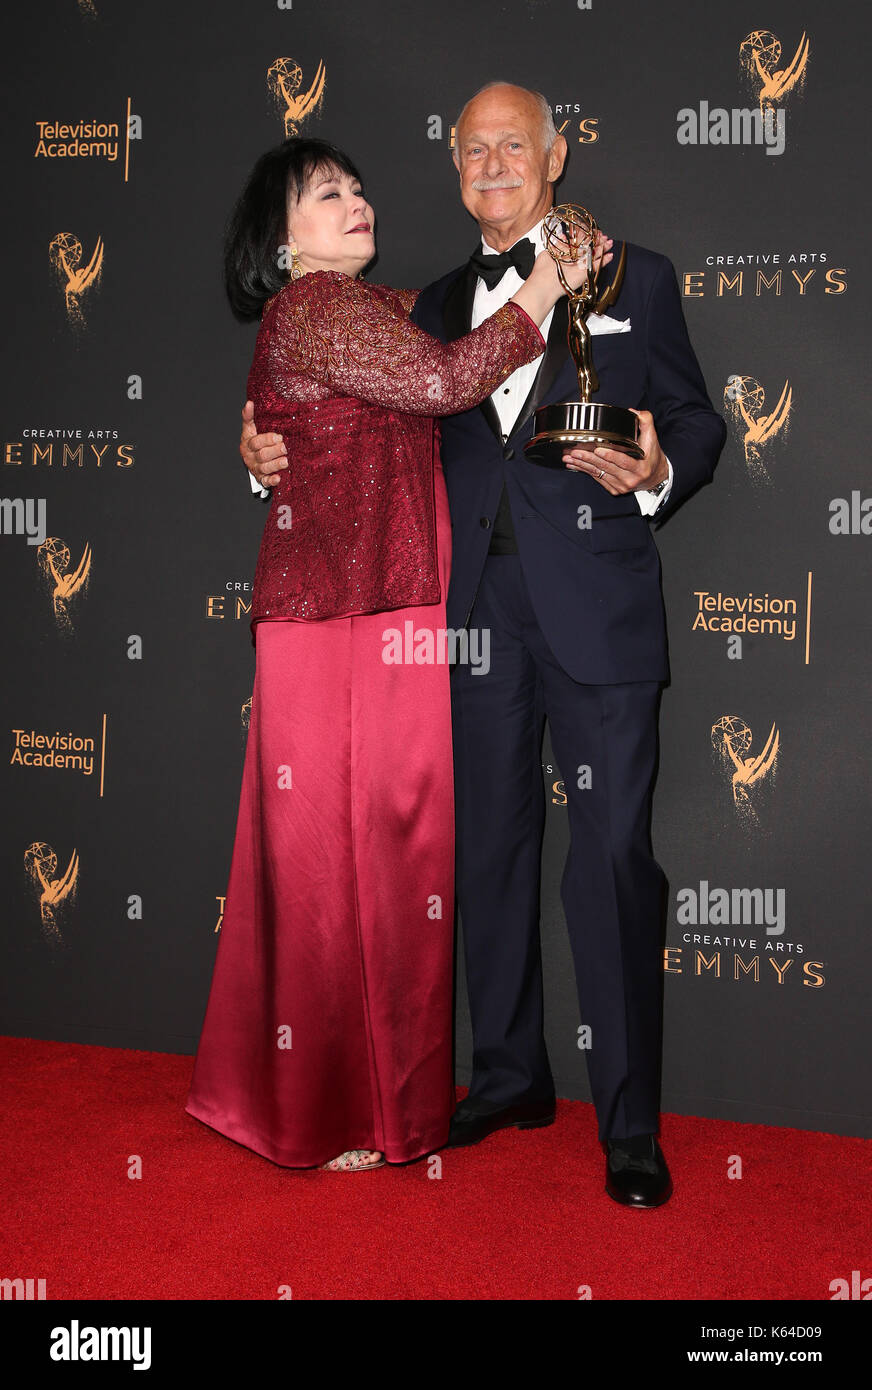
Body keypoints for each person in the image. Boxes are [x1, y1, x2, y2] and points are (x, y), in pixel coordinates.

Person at [241, 86, 727, 1205]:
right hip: (459, 622)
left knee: (609, 864)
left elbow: (698, 422)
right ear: (453, 168)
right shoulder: (428, 303)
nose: (493, 161)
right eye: (473, 148)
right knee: (483, 858)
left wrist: (656, 468)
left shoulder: (634, 275)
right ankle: (507, 1073)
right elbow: (329, 392)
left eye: (515, 143)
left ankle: (629, 1124)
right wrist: (255, 439)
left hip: (597, 606)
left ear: (557, 153)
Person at [185, 135, 594, 1174]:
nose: (356, 201)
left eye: (358, 187)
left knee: (393, 862)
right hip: (329, 622)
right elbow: (448, 376)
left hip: (395, 612)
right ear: (283, 243)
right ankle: (324, 1114)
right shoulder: (315, 309)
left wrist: (546, 258)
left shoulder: (372, 306)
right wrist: (544, 282)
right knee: (329, 871)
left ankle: (376, 1106)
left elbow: (441, 328)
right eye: (327, 194)